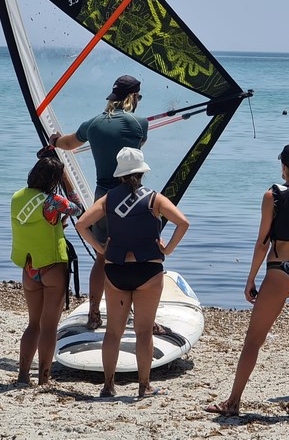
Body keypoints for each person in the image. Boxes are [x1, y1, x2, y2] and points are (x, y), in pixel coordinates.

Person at [205, 144, 289, 420]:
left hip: (280, 271)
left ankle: (233, 402)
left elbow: (262, 242)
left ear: (284, 167)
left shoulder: (272, 195)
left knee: (253, 341)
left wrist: (251, 278)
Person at [75, 147, 190, 398]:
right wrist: (167, 248)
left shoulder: (107, 199)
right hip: (148, 271)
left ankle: (108, 386)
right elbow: (183, 222)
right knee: (144, 331)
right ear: (141, 172)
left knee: (113, 332)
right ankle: (144, 386)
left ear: (120, 174)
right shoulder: (155, 199)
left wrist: (100, 248)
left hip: (116, 271)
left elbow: (81, 224)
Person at [50, 74, 148, 331]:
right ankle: (133, 312)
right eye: (138, 96)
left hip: (102, 197)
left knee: (101, 258)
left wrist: (54, 141)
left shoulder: (93, 124)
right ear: (133, 97)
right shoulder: (140, 123)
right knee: (135, 258)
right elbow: (137, 151)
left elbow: (68, 143)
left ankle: (94, 313)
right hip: (131, 198)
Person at [10, 155, 84, 385]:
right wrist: (68, 182)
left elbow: (37, 224)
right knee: (49, 326)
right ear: (54, 180)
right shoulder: (53, 201)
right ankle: (44, 378)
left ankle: (23, 375)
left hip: (29, 268)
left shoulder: (17, 197)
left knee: (33, 324)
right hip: (52, 266)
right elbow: (79, 208)